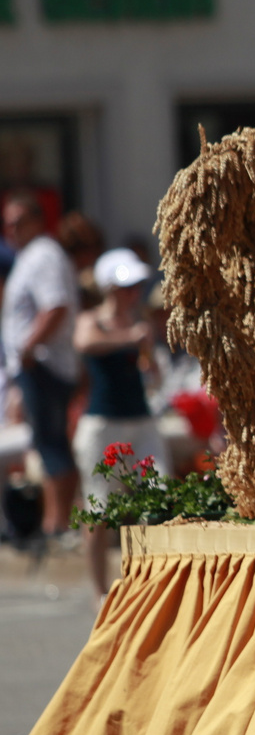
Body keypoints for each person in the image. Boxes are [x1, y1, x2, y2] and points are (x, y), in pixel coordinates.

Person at [71, 249, 167, 602]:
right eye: (126, 286)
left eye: (137, 285)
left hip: (140, 421)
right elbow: (85, 342)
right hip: (103, 425)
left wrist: (147, 352)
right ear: (110, 288)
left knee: (157, 498)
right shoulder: (92, 320)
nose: (134, 292)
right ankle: (99, 592)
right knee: (98, 507)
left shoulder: (140, 323)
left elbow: (152, 374)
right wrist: (131, 338)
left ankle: (148, 586)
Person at [0, 194, 81, 537]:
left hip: (44, 365)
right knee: (47, 444)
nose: (11, 230)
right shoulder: (32, 257)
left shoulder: (43, 255)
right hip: (38, 364)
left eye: (18, 222)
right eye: (7, 223)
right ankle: (56, 521)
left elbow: (56, 306)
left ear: (37, 221)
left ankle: (58, 523)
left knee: (51, 445)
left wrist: (29, 349)